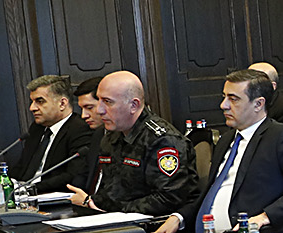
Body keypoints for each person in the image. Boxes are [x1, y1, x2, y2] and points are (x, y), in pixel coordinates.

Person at [138, 69, 283, 233]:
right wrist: (179, 218)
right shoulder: (227, 139)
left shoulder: (280, 137)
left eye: (233, 99)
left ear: (258, 104)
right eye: (224, 97)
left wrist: (266, 216)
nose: (223, 105)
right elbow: (211, 194)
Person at [67, 71, 199, 216]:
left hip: (151, 223)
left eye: (107, 102)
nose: (99, 110)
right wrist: (92, 202)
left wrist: (114, 211)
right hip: (115, 218)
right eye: (99, 100)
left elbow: (169, 199)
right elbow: (112, 191)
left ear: (134, 105)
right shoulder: (112, 135)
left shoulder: (163, 141)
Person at [13, 74, 94, 192]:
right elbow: (22, 166)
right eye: (32, 102)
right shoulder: (37, 128)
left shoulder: (80, 129)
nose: (32, 108)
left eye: (40, 101)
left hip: (51, 195)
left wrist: (31, 189)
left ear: (62, 104)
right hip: (24, 194)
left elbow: (73, 175)